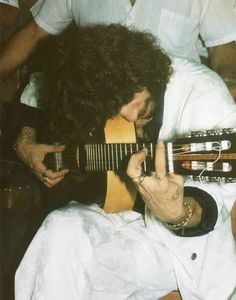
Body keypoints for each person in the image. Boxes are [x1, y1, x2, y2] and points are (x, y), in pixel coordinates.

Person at [14, 25, 236, 300]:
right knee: (60, 229)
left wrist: (176, 212)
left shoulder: (202, 94)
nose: (128, 115)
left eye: (126, 97)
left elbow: (218, 202)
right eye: (111, 109)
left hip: (180, 249)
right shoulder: (94, 87)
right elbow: (32, 96)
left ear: (138, 68)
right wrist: (25, 143)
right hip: (119, 219)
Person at [0, 0, 236, 98]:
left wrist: (223, 103)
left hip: (175, 121)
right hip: (97, 123)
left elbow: (224, 54)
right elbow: (33, 34)